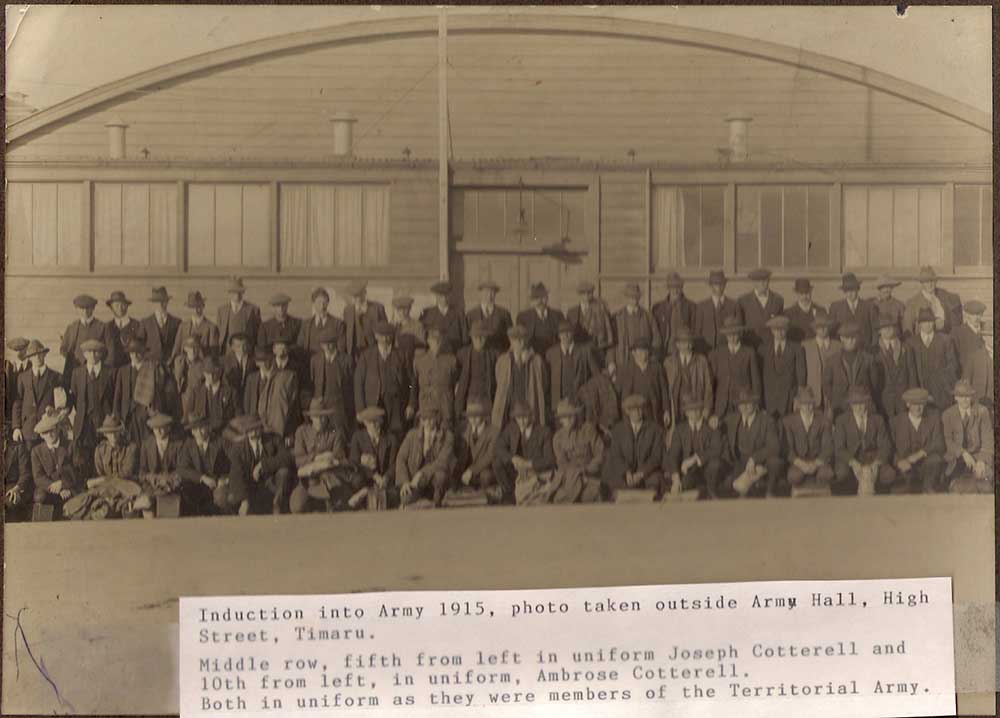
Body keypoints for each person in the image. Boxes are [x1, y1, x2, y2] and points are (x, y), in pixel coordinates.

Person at [289, 399, 356, 513]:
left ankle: (327, 503)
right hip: (308, 480)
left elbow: (338, 457)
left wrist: (322, 463)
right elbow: (298, 460)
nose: (319, 421)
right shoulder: (301, 432)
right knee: (297, 507)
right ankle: (316, 502)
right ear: (310, 417)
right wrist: (317, 458)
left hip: (330, 477)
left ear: (327, 417)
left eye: (323, 417)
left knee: (339, 505)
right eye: (316, 417)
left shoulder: (335, 433)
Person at [832, 386, 896, 496]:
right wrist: (853, 462)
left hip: (873, 458)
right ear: (850, 405)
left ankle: (878, 496)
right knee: (841, 473)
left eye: (862, 403)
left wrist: (877, 462)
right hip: (852, 458)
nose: (859, 407)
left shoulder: (878, 419)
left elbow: (885, 446)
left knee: (889, 474)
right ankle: (851, 493)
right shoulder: (841, 420)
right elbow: (839, 448)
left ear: (867, 403)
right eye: (855, 404)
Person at [720, 387, 784, 498]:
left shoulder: (767, 420)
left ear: (755, 404)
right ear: (738, 406)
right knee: (730, 485)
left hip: (761, 460)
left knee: (775, 462)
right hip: (740, 461)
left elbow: (775, 446)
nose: (744, 407)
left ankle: (770, 491)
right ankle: (751, 486)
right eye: (741, 404)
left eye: (748, 403)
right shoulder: (731, 420)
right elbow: (717, 431)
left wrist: (754, 459)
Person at [601, 394, 666, 500]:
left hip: (648, 473)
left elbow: (657, 456)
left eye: (641, 408)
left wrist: (641, 473)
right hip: (625, 474)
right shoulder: (618, 430)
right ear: (627, 412)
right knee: (615, 486)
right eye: (634, 409)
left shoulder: (655, 429)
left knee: (655, 483)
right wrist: (626, 472)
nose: (638, 412)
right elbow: (616, 455)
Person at [226, 415, 294, 515]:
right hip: (250, 487)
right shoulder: (237, 448)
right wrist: (244, 500)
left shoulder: (274, 439)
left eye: (256, 428)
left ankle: (277, 504)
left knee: (284, 471)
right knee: (231, 498)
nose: (253, 431)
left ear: (261, 428)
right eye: (250, 429)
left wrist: (263, 465)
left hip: (271, 483)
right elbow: (236, 474)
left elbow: (287, 457)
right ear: (245, 431)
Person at [353, 321, 412, 437]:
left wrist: (411, 404)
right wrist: (360, 410)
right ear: (376, 336)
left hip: (396, 405)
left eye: (388, 336)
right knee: (374, 435)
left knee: (395, 435)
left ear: (392, 336)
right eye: (381, 336)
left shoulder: (402, 355)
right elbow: (358, 383)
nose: (385, 340)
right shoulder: (366, 356)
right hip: (373, 404)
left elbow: (412, 381)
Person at [114, 337, 176, 445]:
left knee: (147, 445)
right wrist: (118, 416)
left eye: (138, 352)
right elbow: (117, 396)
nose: (135, 356)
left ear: (144, 353)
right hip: (128, 417)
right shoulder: (122, 371)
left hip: (147, 415)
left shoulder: (153, 369)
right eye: (132, 353)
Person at [493, 400, 557, 505]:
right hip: (517, 470)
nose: (522, 421)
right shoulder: (511, 429)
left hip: (535, 472)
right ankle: (509, 494)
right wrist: (513, 458)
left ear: (531, 416)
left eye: (525, 417)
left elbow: (550, 460)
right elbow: (498, 447)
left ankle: (525, 494)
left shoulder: (544, 432)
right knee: (498, 462)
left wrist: (529, 464)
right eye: (518, 418)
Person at [68, 338, 116, 470]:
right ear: (84, 354)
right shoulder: (77, 373)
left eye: (96, 352)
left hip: (103, 421)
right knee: (85, 455)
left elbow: (114, 397)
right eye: (89, 352)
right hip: (84, 422)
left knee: (103, 453)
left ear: (101, 354)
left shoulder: (110, 372)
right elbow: (75, 397)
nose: (93, 355)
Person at [664, 395, 724, 500]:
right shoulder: (679, 430)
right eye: (691, 410)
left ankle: (711, 492)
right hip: (688, 471)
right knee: (684, 486)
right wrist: (676, 477)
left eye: (697, 409)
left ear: (702, 410)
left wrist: (695, 458)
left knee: (715, 464)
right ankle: (701, 491)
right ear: (686, 413)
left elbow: (716, 449)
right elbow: (673, 454)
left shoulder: (712, 427)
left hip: (707, 469)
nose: (695, 413)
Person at [941, 380, 993, 494]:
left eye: (968, 396)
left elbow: (988, 441)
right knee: (956, 487)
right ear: (955, 397)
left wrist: (982, 461)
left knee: (986, 486)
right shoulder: (947, 414)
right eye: (961, 396)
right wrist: (963, 453)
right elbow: (948, 441)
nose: (965, 400)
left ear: (972, 396)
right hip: (957, 458)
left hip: (978, 456)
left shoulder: (982, 411)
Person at [396, 407, 455, 508]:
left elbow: (443, 461)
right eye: (424, 419)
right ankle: (420, 497)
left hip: (434, 478)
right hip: (414, 480)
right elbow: (401, 458)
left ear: (437, 419)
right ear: (421, 421)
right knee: (406, 499)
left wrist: (422, 473)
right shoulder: (412, 435)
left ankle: (437, 501)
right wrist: (404, 481)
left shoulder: (447, 436)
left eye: (431, 419)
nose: (428, 422)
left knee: (441, 476)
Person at [548, 399, 604, 504]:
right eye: (565, 417)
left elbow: (600, 454)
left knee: (589, 495)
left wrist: (587, 470)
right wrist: (575, 474)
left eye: (571, 416)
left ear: (576, 416)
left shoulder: (588, 430)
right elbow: (562, 462)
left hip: (589, 476)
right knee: (557, 498)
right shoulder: (558, 437)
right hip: (568, 478)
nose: (568, 419)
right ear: (560, 420)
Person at [492, 324, 548, 429]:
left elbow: (543, 384)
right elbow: (498, 380)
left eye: (522, 339)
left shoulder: (536, 360)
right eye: (516, 340)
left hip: (529, 403)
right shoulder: (503, 360)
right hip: (509, 404)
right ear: (510, 341)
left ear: (527, 340)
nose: (520, 343)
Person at [782, 386, 835, 497]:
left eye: (810, 404)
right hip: (799, 462)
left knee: (827, 474)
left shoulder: (823, 421)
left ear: (814, 404)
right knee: (793, 477)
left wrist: (815, 464)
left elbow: (827, 447)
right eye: (804, 404)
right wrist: (801, 464)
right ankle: (806, 483)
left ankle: (817, 485)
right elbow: (788, 448)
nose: (807, 407)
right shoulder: (788, 421)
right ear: (799, 405)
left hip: (818, 461)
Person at [892, 387, 945, 494]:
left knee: (935, 459)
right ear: (908, 404)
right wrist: (899, 461)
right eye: (914, 404)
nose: (918, 408)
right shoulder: (897, 421)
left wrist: (920, 454)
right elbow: (892, 447)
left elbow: (939, 443)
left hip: (927, 462)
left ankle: (929, 489)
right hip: (906, 463)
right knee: (905, 491)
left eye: (921, 404)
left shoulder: (933, 417)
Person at [450, 397, 502, 504]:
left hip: (484, 469)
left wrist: (472, 470)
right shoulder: (462, 430)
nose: (473, 419)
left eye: (477, 416)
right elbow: (455, 451)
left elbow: (490, 456)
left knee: (486, 476)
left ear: (483, 416)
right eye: (470, 416)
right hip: (465, 470)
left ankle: (489, 491)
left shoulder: (494, 432)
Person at [243, 345, 300, 443]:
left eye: (268, 360)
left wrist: (290, 433)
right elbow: (247, 406)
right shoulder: (251, 379)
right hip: (256, 432)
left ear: (273, 359)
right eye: (261, 361)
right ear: (256, 363)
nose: (265, 364)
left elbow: (293, 409)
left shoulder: (287, 377)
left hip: (278, 434)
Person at [708, 316, 760, 421]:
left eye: (735, 334)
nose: (732, 337)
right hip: (721, 403)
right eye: (729, 334)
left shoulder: (749, 353)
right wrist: (711, 406)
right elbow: (711, 383)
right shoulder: (716, 354)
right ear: (725, 335)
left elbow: (755, 381)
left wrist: (756, 403)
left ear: (740, 334)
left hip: (742, 403)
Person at [822, 321, 878, 419]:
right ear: (841, 338)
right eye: (848, 338)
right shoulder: (831, 360)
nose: (851, 341)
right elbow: (826, 385)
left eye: (854, 337)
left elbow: (874, 384)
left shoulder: (868, 359)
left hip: (862, 405)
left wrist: (864, 398)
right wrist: (836, 400)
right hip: (840, 406)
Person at [176, 413, 229, 516]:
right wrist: (202, 478)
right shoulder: (188, 445)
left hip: (217, 484)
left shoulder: (220, 442)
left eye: (202, 428)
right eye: (195, 430)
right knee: (186, 494)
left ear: (208, 427)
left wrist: (225, 479)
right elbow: (182, 468)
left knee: (221, 498)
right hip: (197, 486)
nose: (199, 432)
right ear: (192, 432)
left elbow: (234, 461)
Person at [349, 407, 400, 510]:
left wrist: (386, 477)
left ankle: (368, 496)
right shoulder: (357, 437)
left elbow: (394, 463)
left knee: (394, 494)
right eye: (370, 422)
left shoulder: (391, 439)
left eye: (377, 421)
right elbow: (354, 462)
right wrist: (373, 475)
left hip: (384, 480)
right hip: (365, 478)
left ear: (381, 421)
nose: (374, 425)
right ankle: (366, 493)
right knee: (357, 481)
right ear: (364, 423)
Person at [12, 340, 60, 449]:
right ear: (29, 357)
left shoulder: (56, 377)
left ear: (44, 354)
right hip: (27, 431)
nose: (37, 357)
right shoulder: (22, 378)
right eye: (34, 355)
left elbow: (61, 404)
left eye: (40, 354)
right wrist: (16, 427)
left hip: (48, 432)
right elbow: (17, 403)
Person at [909, 307, 959, 411]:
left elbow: (953, 365)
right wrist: (916, 391)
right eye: (924, 322)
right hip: (920, 392)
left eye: (930, 321)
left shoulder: (945, 340)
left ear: (934, 323)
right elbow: (910, 370)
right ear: (919, 324)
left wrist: (944, 385)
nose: (928, 325)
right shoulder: (911, 343)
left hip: (942, 393)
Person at [30, 408, 80, 513]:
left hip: (69, 485)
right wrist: (55, 487)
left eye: (52, 430)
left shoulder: (70, 445)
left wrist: (63, 484)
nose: (49, 435)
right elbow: (38, 477)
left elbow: (78, 470)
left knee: (78, 497)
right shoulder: (36, 451)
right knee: (39, 497)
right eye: (45, 433)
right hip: (50, 488)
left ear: (58, 428)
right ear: (41, 435)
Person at [310, 325, 355, 438]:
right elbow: (312, 381)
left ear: (336, 343)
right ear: (321, 345)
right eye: (325, 344)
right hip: (322, 405)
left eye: (331, 343)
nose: (328, 347)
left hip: (340, 406)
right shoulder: (315, 360)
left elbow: (352, 385)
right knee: (322, 436)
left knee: (341, 435)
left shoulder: (346, 360)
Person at [663, 327, 713, 428]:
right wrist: (667, 409)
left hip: (695, 405)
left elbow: (708, 387)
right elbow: (664, 389)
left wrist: (707, 408)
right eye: (683, 343)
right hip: (676, 407)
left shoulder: (701, 361)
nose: (687, 346)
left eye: (689, 342)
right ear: (677, 345)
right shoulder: (669, 362)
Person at [411, 324, 460, 425]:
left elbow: (456, 383)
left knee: (445, 431)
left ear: (443, 341)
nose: (436, 343)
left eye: (439, 340)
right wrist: (412, 405)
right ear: (428, 341)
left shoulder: (451, 360)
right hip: (426, 403)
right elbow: (413, 385)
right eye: (433, 340)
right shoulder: (419, 360)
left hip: (445, 404)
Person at [546, 319, 599, 412]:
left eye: (568, 333)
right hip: (558, 403)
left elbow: (596, 376)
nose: (565, 336)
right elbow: (546, 380)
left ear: (573, 334)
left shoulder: (584, 351)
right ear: (558, 335)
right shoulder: (551, 353)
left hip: (580, 401)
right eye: (562, 333)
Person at [759, 315, 806, 420]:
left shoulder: (797, 349)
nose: (779, 333)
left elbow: (801, 376)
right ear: (771, 331)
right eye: (776, 330)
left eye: (782, 330)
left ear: (787, 330)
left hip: (789, 397)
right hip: (769, 397)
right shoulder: (763, 349)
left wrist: (798, 398)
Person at [616, 337, 670, 427]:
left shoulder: (656, 368)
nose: (643, 354)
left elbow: (664, 390)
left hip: (653, 411)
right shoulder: (625, 369)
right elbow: (618, 392)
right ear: (633, 353)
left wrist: (666, 410)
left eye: (645, 351)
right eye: (640, 351)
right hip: (632, 413)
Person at [60, 294, 113, 385]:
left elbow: (111, 351)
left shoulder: (102, 327)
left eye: (88, 308)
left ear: (93, 308)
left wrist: (102, 368)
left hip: (96, 372)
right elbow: (63, 349)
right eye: (81, 308)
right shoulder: (72, 327)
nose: (85, 311)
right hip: (76, 372)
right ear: (77, 309)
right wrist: (75, 360)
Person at [951, 300, 993, 411]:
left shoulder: (987, 330)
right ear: (967, 315)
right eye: (974, 314)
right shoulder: (958, 333)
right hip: (968, 381)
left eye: (979, 314)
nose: (977, 318)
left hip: (988, 382)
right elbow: (953, 361)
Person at [873, 314, 918, 419]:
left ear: (895, 328)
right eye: (884, 328)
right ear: (879, 331)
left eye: (890, 326)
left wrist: (912, 398)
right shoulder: (873, 351)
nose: (888, 330)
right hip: (883, 400)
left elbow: (912, 374)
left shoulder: (906, 348)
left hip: (903, 398)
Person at [612, 282, 662, 371]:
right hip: (623, 360)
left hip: (644, 363)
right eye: (631, 297)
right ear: (626, 298)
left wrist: (651, 358)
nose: (633, 299)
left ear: (639, 298)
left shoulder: (648, 316)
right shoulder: (617, 317)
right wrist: (611, 362)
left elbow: (657, 340)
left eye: (636, 297)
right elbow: (611, 344)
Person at [902, 266, 963, 337]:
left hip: (945, 341)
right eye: (926, 282)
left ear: (936, 281)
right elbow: (907, 330)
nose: (930, 285)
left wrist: (945, 324)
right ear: (921, 283)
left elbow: (956, 321)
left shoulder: (945, 296)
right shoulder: (913, 303)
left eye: (932, 281)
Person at [455, 321, 497, 419]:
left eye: (482, 337)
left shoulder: (494, 354)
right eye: (476, 337)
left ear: (486, 338)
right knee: (471, 422)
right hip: (470, 397)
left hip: (487, 396)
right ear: (471, 337)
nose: (479, 339)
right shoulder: (462, 354)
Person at [694, 270, 743, 354]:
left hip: (727, 349)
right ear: (710, 286)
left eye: (721, 284)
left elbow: (740, 330)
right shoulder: (701, 306)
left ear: (725, 285)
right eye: (716, 284)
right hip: (706, 349)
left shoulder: (734, 305)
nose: (719, 287)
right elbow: (698, 331)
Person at [565, 281, 614, 364]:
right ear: (579, 295)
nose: (586, 296)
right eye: (583, 293)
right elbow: (567, 333)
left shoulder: (601, 309)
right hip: (577, 352)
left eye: (589, 293)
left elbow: (608, 333)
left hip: (596, 351)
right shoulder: (571, 312)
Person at [190, 356, 239, 438]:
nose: (211, 377)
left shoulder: (231, 392)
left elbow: (238, 414)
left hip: (225, 433)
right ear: (204, 373)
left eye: (214, 373)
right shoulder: (196, 391)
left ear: (220, 373)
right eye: (208, 373)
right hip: (202, 434)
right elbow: (189, 413)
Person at [802, 310, 840, 413]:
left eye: (825, 326)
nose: (823, 329)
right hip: (812, 393)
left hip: (832, 393)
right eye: (819, 327)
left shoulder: (838, 346)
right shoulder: (805, 346)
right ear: (814, 329)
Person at [737, 267, 783, 351]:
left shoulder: (778, 300)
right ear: (754, 282)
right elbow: (741, 327)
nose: (762, 283)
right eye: (758, 281)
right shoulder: (743, 301)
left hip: (771, 348)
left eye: (765, 281)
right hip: (751, 347)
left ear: (769, 281)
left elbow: (780, 326)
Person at [652, 272, 696, 358]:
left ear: (682, 288)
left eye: (678, 287)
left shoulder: (691, 306)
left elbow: (694, 329)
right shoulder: (658, 308)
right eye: (672, 287)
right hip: (665, 349)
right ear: (668, 288)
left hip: (684, 349)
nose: (675, 290)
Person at [829, 273, 874, 353]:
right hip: (843, 349)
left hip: (865, 350)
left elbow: (874, 329)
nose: (850, 294)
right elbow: (832, 331)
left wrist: (872, 347)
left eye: (852, 290)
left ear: (858, 289)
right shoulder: (836, 307)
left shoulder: (868, 306)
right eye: (847, 291)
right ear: (844, 292)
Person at [516, 282, 565, 357]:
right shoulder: (523, 316)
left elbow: (563, 335)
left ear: (547, 298)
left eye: (543, 297)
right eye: (537, 298)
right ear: (532, 300)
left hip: (554, 352)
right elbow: (519, 339)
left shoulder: (557, 315)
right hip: (532, 353)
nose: (540, 301)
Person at [343, 279, 388, 360]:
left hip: (373, 348)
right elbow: (346, 332)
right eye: (354, 296)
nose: (357, 298)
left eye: (360, 294)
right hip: (354, 351)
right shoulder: (347, 310)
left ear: (365, 293)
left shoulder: (377, 308)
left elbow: (385, 330)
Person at [465, 280, 513, 355]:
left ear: (495, 294)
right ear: (480, 294)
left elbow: (510, 336)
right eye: (486, 292)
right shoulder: (471, 314)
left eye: (492, 293)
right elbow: (466, 337)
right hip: (478, 354)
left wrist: (505, 353)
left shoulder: (504, 314)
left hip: (498, 353)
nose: (489, 296)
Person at [421, 281, 468, 354]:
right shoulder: (427, 313)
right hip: (435, 352)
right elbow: (423, 335)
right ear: (436, 296)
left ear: (450, 295)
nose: (444, 299)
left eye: (446, 295)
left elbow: (465, 335)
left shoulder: (459, 312)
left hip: (454, 351)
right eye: (440, 296)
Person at [171, 291, 220, 362]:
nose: (196, 310)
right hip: (186, 367)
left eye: (198, 306)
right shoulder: (183, 326)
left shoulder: (212, 327)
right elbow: (176, 348)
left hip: (204, 367)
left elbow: (214, 353)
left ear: (203, 306)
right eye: (193, 307)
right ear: (189, 308)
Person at [297, 287, 344, 360]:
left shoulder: (338, 323)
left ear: (328, 303)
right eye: (319, 302)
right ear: (313, 303)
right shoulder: (306, 324)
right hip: (309, 363)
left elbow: (341, 347)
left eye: (324, 303)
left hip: (330, 363)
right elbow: (300, 346)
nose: (322, 306)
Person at [217, 276, 262, 353]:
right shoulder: (222, 311)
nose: (237, 295)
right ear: (230, 293)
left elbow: (258, 333)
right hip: (228, 351)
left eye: (239, 292)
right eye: (234, 292)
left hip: (247, 350)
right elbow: (219, 332)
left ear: (243, 292)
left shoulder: (253, 310)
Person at [579, 363, 621, 440]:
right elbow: (591, 408)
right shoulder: (597, 382)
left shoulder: (618, 379)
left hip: (613, 426)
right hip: (602, 428)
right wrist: (602, 427)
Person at [141, 286, 181, 364]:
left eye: (163, 301)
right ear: (153, 304)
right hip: (151, 367)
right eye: (157, 302)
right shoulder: (145, 322)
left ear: (167, 302)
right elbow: (140, 347)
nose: (161, 304)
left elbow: (179, 345)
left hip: (170, 366)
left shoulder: (177, 322)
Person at [92, 414, 139, 480]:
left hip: (125, 485)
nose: (113, 436)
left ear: (120, 432)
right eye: (110, 433)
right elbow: (99, 473)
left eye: (116, 432)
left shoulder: (130, 448)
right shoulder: (100, 450)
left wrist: (106, 479)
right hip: (106, 486)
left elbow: (127, 473)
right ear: (105, 434)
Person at [106, 290, 145, 368]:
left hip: (130, 368)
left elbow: (142, 347)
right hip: (111, 369)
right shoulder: (107, 327)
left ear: (127, 306)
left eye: (123, 305)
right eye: (116, 305)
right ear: (111, 307)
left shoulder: (137, 325)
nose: (120, 308)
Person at [172, 336, 206, 418]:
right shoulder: (179, 361)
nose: (193, 351)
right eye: (190, 348)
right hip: (182, 397)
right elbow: (177, 378)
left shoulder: (202, 364)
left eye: (195, 348)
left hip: (197, 398)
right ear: (185, 349)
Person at [784, 278, 824, 343]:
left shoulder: (821, 311)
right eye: (801, 293)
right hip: (797, 348)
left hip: (815, 349)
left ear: (811, 292)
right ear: (796, 294)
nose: (805, 297)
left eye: (807, 293)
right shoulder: (788, 313)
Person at [391, 295, 426, 368]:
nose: (402, 312)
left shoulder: (417, 326)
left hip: (411, 361)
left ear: (410, 309)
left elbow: (421, 348)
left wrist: (413, 361)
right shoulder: (392, 325)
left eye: (405, 309)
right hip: (395, 362)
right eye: (399, 310)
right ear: (396, 310)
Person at [871, 276, 906, 343]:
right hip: (878, 342)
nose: (887, 290)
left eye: (889, 287)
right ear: (879, 289)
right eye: (884, 287)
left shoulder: (899, 305)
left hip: (896, 341)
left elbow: (903, 326)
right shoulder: (872, 305)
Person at [222, 332, 256, 398]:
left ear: (249, 345)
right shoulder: (224, 361)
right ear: (232, 347)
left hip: (249, 396)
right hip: (230, 397)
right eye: (238, 346)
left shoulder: (254, 361)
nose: (242, 349)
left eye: (244, 346)